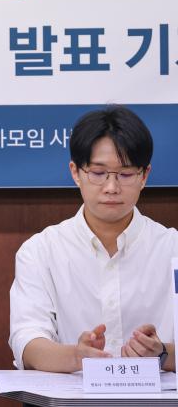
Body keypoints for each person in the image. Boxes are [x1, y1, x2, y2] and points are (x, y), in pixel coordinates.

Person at [9, 106, 176, 373]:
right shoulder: (40, 251)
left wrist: (163, 354)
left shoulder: (172, 249)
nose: (111, 187)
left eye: (125, 174)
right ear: (76, 172)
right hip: (71, 393)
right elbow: (26, 341)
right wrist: (76, 357)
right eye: (98, 173)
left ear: (144, 176)